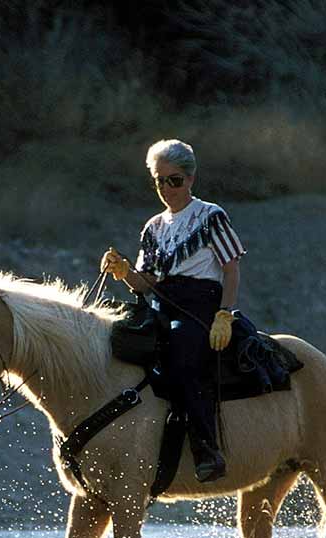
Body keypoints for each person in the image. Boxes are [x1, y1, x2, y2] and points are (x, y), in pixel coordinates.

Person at [101, 139, 247, 483]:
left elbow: (231, 269)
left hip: (199, 303)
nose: (167, 189)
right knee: (116, 341)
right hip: (159, 301)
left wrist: (224, 313)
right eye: (160, 181)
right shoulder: (153, 227)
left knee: (182, 350)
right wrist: (123, 272)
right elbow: (145, 283)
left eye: (175, 180)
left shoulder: (211, 216)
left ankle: (206, 447)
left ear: (191, 179)